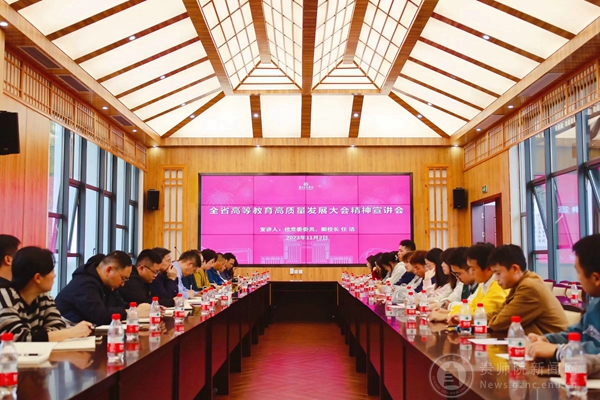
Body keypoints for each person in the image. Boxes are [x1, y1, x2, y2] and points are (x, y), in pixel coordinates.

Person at [528, 235, 600, 361]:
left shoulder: (528, 286)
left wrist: (558, 350)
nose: (578, 278)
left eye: (578, 272)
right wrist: (546, 340)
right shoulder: (595, 304)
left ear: (596, 278)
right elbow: (574, 334)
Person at [0, 247, 92, 341]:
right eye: (51, 271)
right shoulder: (5, 297)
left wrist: (37, 336)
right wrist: (70, 333)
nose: (54, 275)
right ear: (38, 278)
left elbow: (59, 326)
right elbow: (17, 339)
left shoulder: (43, 297)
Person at [486, 244, 567, 335]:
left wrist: (490, 320)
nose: (496, 279)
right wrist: (475, 318)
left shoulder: (529, 287)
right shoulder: (520, 284)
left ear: (515, 269)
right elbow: (499, 313)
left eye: (498, 273)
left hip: (552, 342)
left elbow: (499, 323)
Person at [56, 251, 150, 326]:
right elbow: (99, 315)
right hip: (65, 332)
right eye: (123, 278)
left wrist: (137, 309)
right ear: (109, 270)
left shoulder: (107, 284)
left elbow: (119, 304)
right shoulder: (84, 283)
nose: (123, 284)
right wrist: (132, 313)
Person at [448, 243, 507, 325]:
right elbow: (470, 306)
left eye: (473, 269)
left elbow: (481, 314)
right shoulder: (483, 284)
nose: (470, 273)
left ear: (489, 268)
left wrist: (448, 315)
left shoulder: (498, 286)